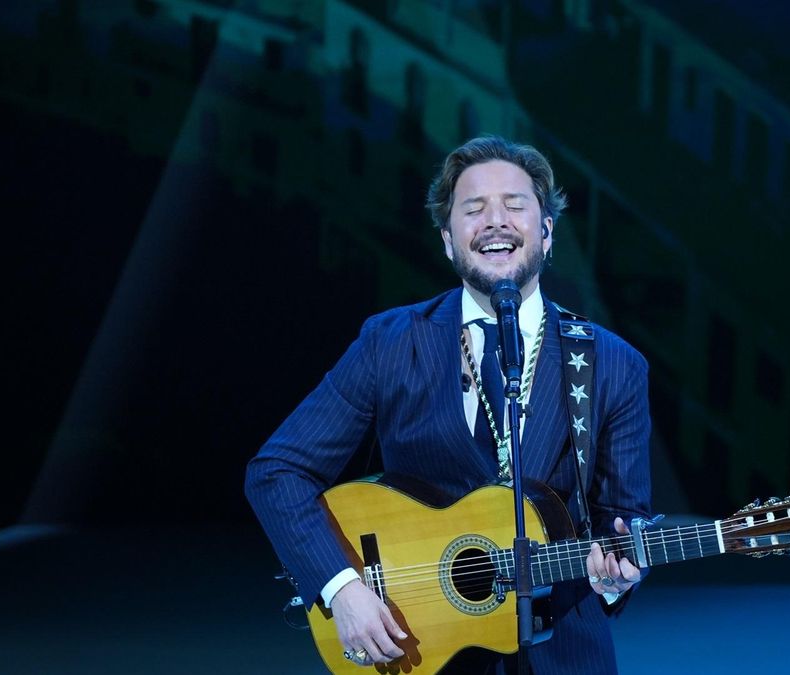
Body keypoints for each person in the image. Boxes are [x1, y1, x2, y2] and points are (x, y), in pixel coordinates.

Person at [246, 136, 652, 674]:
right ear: (448, 240)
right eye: (474, 208)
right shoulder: (391, 343)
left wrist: (616, 575)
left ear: (547, 233)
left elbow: (623, 522)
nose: (495, 221)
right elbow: (277, 472)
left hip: (565, 654)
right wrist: (341, 587)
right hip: (418, 650)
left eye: (514, 204)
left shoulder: (614, 364)